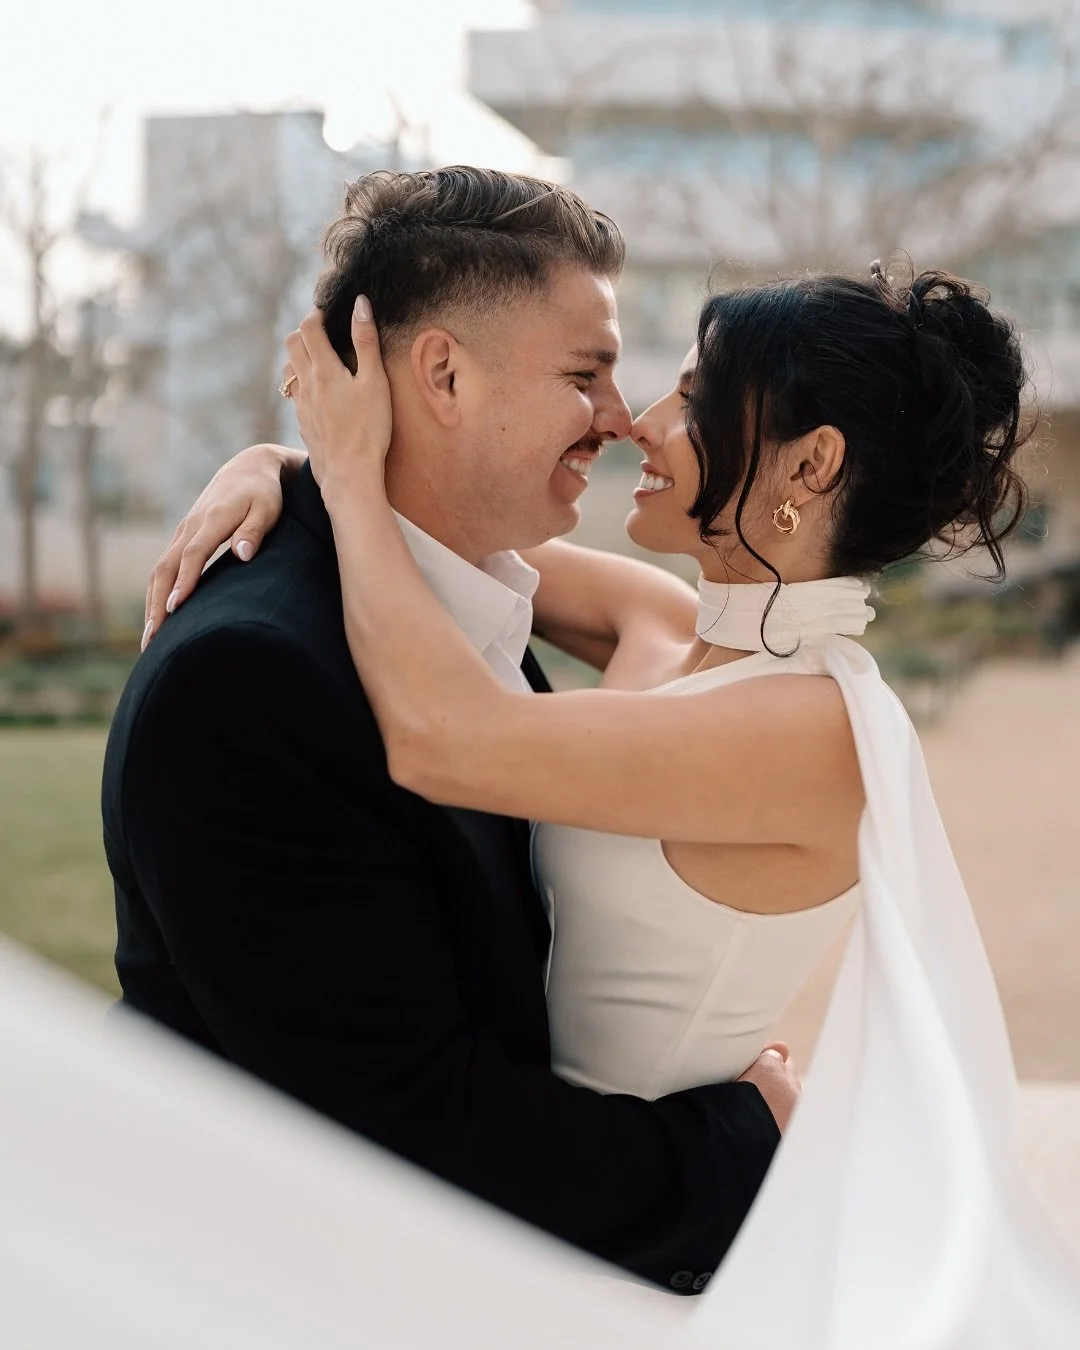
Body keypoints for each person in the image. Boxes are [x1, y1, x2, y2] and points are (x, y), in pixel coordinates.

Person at [156, 247, 1080, 1343]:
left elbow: (446, 735)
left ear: (812, 464)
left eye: (695, 396)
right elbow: (433, 538)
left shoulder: (814, 729)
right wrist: (278, 461)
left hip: (626, 1240)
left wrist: (344, 469)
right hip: (514, 1188)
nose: (641, 422)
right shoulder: (668, 626)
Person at [103, 167, 796, 1297]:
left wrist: (297, 463)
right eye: (585, 375)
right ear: (442, 376)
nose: (620, 419)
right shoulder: (243, 686)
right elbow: (408, 1125)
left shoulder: (465, 594)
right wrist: (738, 1145)